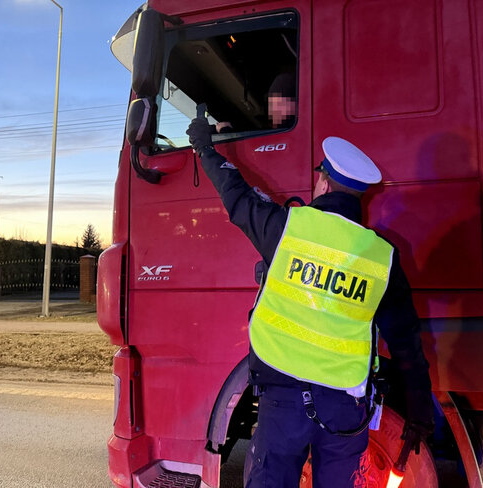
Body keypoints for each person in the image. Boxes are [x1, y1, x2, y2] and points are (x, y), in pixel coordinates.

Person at [186, 121, 434, 488]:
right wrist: (419, 412)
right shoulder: (382, 257)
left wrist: (205, 149)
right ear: (359, 196)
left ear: (323, 183)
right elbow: (406, 342)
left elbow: (236, 195)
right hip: (346, 411)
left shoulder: (287, 228)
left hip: (283, 404)